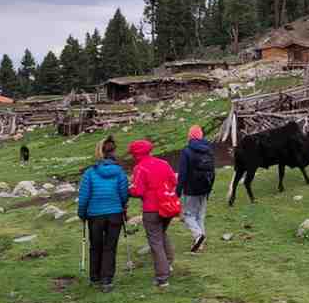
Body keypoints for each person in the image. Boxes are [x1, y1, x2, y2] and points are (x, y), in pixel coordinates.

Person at [77, 136, 129, 292]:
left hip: (95, 215)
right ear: (113, 152)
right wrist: (122, 206)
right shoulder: (119, 172)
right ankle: (107, 280)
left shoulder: (90, 173)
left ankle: (95, 277)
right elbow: (124, 194)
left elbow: (84, 196)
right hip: (115, 213)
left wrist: (82, 213)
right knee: (110, 247)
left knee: (96, 246)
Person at [128, 139, 177, 288]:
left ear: (136, 154)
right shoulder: (164, 163)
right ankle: (168, 263)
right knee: (162, 234)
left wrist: (127, 189)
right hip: (167, 206)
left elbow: (138, 191)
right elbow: (173, 181)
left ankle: (162, 277)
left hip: (151, 209)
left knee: (155, 241)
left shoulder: (140, 168)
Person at [176, 125, 215, 253]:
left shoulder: (186, 151)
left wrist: (178, 191)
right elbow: (212, 171)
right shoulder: (209, 149)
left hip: (191, 189)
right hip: (205, 187)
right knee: (200, 215)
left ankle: (198, 235)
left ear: (190, 136)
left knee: (188, 215)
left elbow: (182, 174)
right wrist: (209, 189)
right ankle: (201, 242)